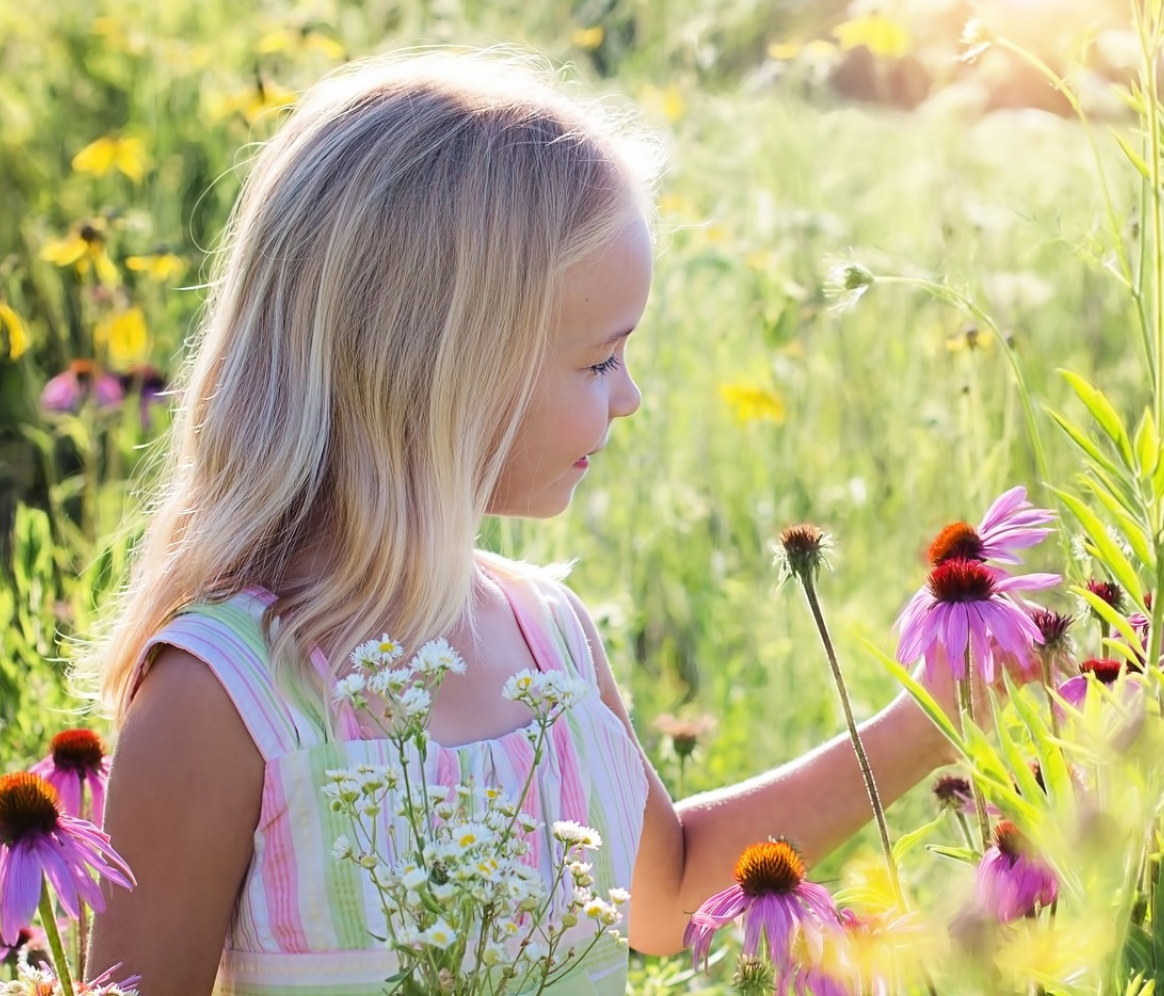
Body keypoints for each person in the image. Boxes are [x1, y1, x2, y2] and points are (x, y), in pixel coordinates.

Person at [84, 47, 957, 995]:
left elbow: (666, 895)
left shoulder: (552, 641)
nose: (628, 398)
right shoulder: (228, 699)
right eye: (597, 361)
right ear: (440, 371)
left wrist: (934, 719)